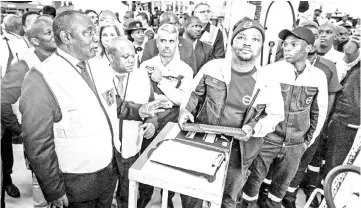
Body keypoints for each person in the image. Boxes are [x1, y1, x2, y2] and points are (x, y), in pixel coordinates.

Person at [19, 10, 165, 208]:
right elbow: (37, 143)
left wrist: (140, 110)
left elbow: (115, 104)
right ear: (66, 37)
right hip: (76, 182)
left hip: (108, 172)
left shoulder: (98, 67)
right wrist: (53, 188)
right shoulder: (42, 79)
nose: (96, 39)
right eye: (88, 33)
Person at [178, 17, 284, 208]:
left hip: (241, 151)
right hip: (204, 142)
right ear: (233, 41)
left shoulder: (268, 80)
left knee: (228, 198)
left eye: (255, 39)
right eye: (241, 37)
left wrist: (255, 126)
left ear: (261, 46)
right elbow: (193, 95)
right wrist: (185, 110)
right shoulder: (213, 67)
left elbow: (275, 115)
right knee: (192, 195)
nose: (247, 43)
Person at [241, 27, 328, 208]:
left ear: (309, 48)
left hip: (295, 145)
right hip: (267, 141)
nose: (287, 48)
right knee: (252, 185)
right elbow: (257, 107)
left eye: (294, 44)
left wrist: (306, 142)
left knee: (279, 190)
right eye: (285, 44)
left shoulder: (318, 77)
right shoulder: (271, 71)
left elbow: (319, 112)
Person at [279, 21, 342, 208]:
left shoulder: (328, 67)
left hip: (308, 128)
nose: (318, 37)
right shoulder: (283, 63)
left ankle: (289, 197)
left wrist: (318, 128)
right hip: (281, 129)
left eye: (318, 34)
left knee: (301, 162)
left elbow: (327, 101)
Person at [2, 18, 57, 207]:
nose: (55, 36)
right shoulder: (23, 66)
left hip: (62, 142)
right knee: (43, 193)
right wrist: (20, 130)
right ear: (34, 41)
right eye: (49, 33)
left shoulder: (61, 60)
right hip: (39, 145)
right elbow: (2, 101)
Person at [138, 23, 194, 208]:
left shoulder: (185, 69)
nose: (167, 45)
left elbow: (181, 100)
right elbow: (140, 98)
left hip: (172, 126)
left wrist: (161, 81)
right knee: (144, 171)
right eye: (163, 40)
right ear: (157, 42)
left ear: (177, 42)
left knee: (168, 175)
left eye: (171, 41)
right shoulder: (146, 65)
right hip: (150, 123)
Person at [105, 37, 158, 208]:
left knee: (127, 193)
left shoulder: (142, 75)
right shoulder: (99, 77)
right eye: (125, 57)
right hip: (106, 148)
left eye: (133, 55)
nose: (131, 60)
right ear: (111, 58)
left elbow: (151, 106)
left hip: (132, 145)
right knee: (104, 192)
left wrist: (151, 122)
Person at [141, 12, 197, 76]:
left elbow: (193, 72)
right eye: (170, 24)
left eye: (177, 23)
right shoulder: (150, 45)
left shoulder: (187, 44)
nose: (174, 27)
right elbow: (144, 72)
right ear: (160, 25)